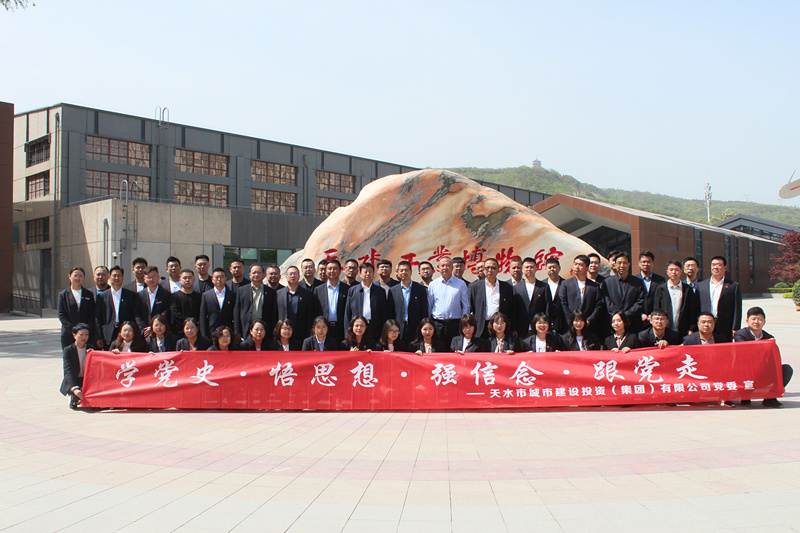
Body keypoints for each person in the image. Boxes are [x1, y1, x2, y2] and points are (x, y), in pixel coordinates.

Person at [733, 306, 793, 408]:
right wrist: (764, 346)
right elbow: (744, 352)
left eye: (760, 319)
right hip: (745, 370)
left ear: (764, 322)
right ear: (747, 321)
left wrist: (779, 385)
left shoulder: (769, 337)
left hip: (762, 370)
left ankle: (770, 398)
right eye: (753, 319)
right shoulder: (740, 334)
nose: (756, 322)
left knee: (787, 369)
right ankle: (745, 395)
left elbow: (772, 358)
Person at [696, 256, 741, 342]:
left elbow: (737, 308)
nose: (715, 267)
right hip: (705, 324)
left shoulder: (733, 286)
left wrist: (735, 328)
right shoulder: (701, 285)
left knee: (724, 348)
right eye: (713, 265)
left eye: (719, 265)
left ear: (725, 267)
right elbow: (696, 307)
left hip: (725, 325)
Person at [427, 256, 470, 347]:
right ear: (438, 268)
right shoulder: (433, 284)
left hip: (455, 324)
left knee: (454, 349)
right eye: (443, 265)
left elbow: (465, 305)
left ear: (452, 267)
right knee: (438, 350)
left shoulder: (461, 284)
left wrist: (463, 323)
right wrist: (430, 323)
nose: (445, 268)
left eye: (448, 265)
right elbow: (430, 305)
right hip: (437, 324)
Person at [559, 255, 604, 340]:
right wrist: (571, 320)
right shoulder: (566, 284)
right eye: (575, 264)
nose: (577, 267)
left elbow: (598, 305)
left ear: (587, 268)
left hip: (589, 327)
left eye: (580, 265)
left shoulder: (594, 286)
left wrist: (589, 320)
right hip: (570, 327)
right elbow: (563, 303)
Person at [345, 263, 393, 343]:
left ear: (373, 273)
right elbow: (348, 313)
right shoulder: (353, 290)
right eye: (365, 272)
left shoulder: (380, 291)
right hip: (358, 328)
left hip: (374, 327)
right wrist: (347, 332)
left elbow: (384, 313)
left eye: (370, 272)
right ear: (360, 273)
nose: (368, 274)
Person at [601, 252, 646, 334]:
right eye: (619, 263)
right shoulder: (607, 282)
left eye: (625, 263)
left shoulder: (638, 282)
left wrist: (626, 316)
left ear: (629, 264)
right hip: (613, 324)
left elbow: (640, 301)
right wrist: (618, 317)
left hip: (632, 323)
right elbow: (607, 301)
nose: (622, 266)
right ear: (615, 264)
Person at [95, 265, 139, 349]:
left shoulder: (131, 295)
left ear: (122, 278)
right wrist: (99, 336)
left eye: (119, 275)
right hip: (108, 334)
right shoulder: (102, 296)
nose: (116, 278)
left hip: (125, 332)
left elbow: (134, 315)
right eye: (114, 275)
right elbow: (98, 318)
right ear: (109, 277)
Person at [653, 260, 699, 338]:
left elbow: (692, 310)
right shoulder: (661, 289)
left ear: (681, 271)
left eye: (676, 270)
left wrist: (691, 328)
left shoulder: (687, 289)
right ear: (667, 272)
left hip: (684, 330)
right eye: (671, 270)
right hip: (665, 330)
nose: (674, 272)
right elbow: (657, 308)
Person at [469, 257, 513, 338]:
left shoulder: (507, 287)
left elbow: (510, 309)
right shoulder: (474, 287)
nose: (490, 270)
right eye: (487, 268)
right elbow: (471, 307)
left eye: (493, 268)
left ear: (498, 269)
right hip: (481, 328)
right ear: (484, 269)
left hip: (500, 327)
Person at [233, 263, 277, 340]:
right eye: (254, 272)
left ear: (264, 275)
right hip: (246, 329)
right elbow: (237, 312)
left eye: (259, 273)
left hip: (264, 330)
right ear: (249, 275)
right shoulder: (241, 290)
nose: (256, 275)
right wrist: (237, 333)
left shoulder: (271, 292)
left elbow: (273, 314)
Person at [390, 260, 429, 344]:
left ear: (411, 272)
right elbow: (390, 311)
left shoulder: (420, 289)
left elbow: (424, 310)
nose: (404, 272)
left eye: (406, 270)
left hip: (415, 328)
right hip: (398, 328)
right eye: (401, 270)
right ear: (398, 272)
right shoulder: (393, 290)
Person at [57, 266, 96, 348]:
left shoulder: (88, 294)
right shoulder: (63, 295)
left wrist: (84, 329)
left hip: (85, 335)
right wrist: (74, 329)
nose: (78, 278)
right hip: (69, 333)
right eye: (75, 275)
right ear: (69, 276)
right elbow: (61, 314)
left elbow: (92, 313)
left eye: (80, 276)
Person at [512, 256, 547, 338]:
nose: (529, 269)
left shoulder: (544, 287)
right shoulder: (516, 288)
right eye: (526, 267)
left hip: (539, 328)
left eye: (532, 267)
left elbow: (548, 307)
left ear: (536, 268)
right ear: (522, 269)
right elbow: (514, 310)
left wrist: (547, 326)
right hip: (521, 328)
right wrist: (514, 328)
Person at [277, 265, 315, 341]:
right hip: (284, 332)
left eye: (295, 274)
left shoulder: (307, 294)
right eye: (290, 274)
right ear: (286, 277)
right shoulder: (279, 293)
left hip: (301, 333)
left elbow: (310, 315)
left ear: (299, 277)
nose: (292, 276)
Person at [59, 323, 91, 410]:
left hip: (86, 380)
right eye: (81, 334)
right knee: (77, 391)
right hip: (74, 379)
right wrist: (74, 388)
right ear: (74, 335)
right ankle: (74, 397)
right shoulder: (68, 350)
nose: (84, 337)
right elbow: (68, 370)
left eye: (86, 335)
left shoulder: (91, 349)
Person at [199, 267, 236, 338]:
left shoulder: (232, 295)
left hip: (228, 331)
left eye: (222, 277)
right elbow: (203, 316)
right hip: (212, 331)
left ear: (225, 279)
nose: (219, 279)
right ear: (212, 280)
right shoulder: (206, 295)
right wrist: (204, 334)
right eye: (217, 277)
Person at [136, 266, 171, 336]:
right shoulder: (140, 295)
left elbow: (166, 312)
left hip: (160, 331)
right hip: (145, 333)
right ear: (144, 279)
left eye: (154, 277)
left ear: (158, 277)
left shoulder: (166, 294)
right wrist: (144, 329)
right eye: (148, 277)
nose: (151, 279)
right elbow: (137, 314)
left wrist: (153, 327)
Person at [170, 269, 202, 336]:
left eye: (189, 278)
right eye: (184, 278)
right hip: (179, 331)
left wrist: (194, 324)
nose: (187, 280)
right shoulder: (174, 297)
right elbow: (175, 313)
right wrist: (188, 323)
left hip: (196, 331)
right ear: (180, 279)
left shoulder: (199, 296)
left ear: (194, 280)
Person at [636, 251, 666, 324]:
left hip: (656, 319)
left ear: (653, 263)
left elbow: (662, 300)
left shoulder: (660, 280)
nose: (646, 264)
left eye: (649, 262)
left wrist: (653, 314)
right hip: (637, 319)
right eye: (644, 262)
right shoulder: (634, 280)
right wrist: (640, 314)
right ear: (639, 263)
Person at [542, 257, 566, 334]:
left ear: (559, 268)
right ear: (546, 269)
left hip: (562, 324)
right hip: (545, 325)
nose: (552, 269)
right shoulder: (541, 285)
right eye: (550, 267)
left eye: (554, 267)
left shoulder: (566, 284)